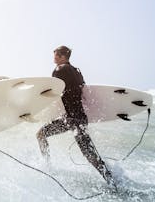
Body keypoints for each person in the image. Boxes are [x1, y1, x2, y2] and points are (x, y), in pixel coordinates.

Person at [36, 45, 116, 186]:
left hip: (72, 119)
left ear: (62, 57)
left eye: (55, 56)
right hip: (76, 118)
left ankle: (111, 181)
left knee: (88, 154)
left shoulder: (59, 70)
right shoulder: (77, 71)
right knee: (42, 134)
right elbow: (82, 89)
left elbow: (53, 90)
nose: (53, 58)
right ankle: (110, 179)